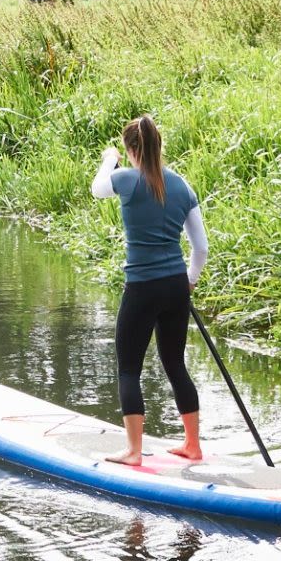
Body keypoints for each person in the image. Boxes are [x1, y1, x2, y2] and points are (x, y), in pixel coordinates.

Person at [90, 114, 208, 466]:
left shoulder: (125, 179)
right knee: (175, 363)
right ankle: (192, 445)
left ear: (131, 150)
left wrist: (108, 159)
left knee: (129, 368)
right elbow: (200, 248)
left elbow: (97, 189)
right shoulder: (182, 186)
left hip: (142, 287)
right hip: (175, 286)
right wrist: (188, 280)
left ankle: (134, 451)